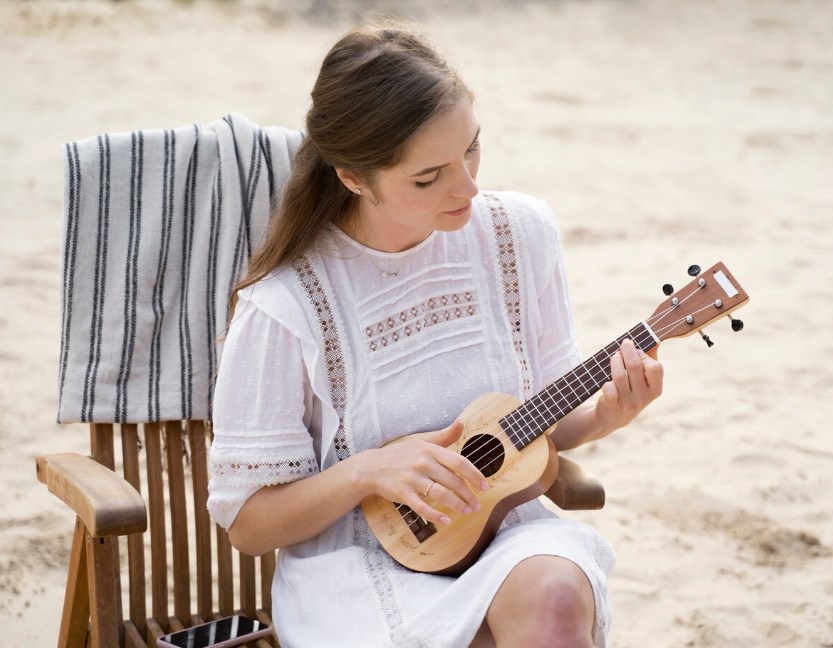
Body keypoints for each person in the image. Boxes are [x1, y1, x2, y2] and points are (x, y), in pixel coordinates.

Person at [207, 20, 663, 648]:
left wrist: (606, 416)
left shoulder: (518, 236)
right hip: (352, 568)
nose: (469, 188)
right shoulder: (285, 305)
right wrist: (368, 472)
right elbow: (250, 527)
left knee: (555, 595)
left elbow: (534, 429)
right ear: (352, 177)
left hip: (503, 535)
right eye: (429, 177)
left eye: (472, 149)